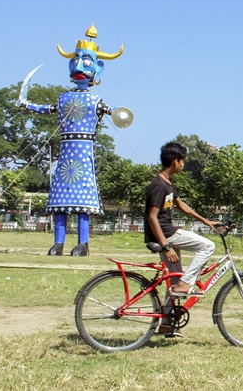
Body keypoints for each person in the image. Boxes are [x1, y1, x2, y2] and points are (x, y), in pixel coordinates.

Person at [18, 24, 130, 256]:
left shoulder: (95, 100)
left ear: (98, 68)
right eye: (76, 60)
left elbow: (114, 112)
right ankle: (58, 243)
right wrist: (26, 104)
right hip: (66, 154)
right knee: (61, 201)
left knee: (83, 204)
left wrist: (119, 112)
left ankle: (83, 243)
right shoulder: (63, 98)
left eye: (86, 62)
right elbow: (47, 109)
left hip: (83, 152)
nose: (79, 66)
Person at [144, 141, 219, 337]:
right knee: (208, 246)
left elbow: (180, 205)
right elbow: (152, 217)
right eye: (183, 161)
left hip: (167, 234)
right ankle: (186, 283)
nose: (183, 165)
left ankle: (167, 324)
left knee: (174, 282)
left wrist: (205, 220)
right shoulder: (158, 185)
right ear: (175, 162)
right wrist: (166, 245)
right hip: (166, 234)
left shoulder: (167, 183)